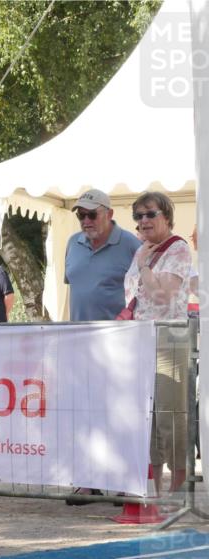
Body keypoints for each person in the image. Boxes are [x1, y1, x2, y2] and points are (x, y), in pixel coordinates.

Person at [123, 191, 192, 497]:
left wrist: (145, 265)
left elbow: (162, 295)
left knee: (169, 411)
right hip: (140, 336)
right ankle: (155, 484)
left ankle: (179, 483)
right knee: (145, 413)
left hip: (168, 336)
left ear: (166, 215)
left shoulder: (176, 248)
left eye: (150, 214)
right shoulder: (144, 251)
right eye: (138, 216)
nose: (143, 221)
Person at [64, 189, 141, 321]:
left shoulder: (131, 244)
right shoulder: (73, 243)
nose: (86, 221)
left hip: (117, 336)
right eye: (81, 216)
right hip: (77, 335)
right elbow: (73, 289)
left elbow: (146, 296)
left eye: (92, 215)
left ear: (109, 214)